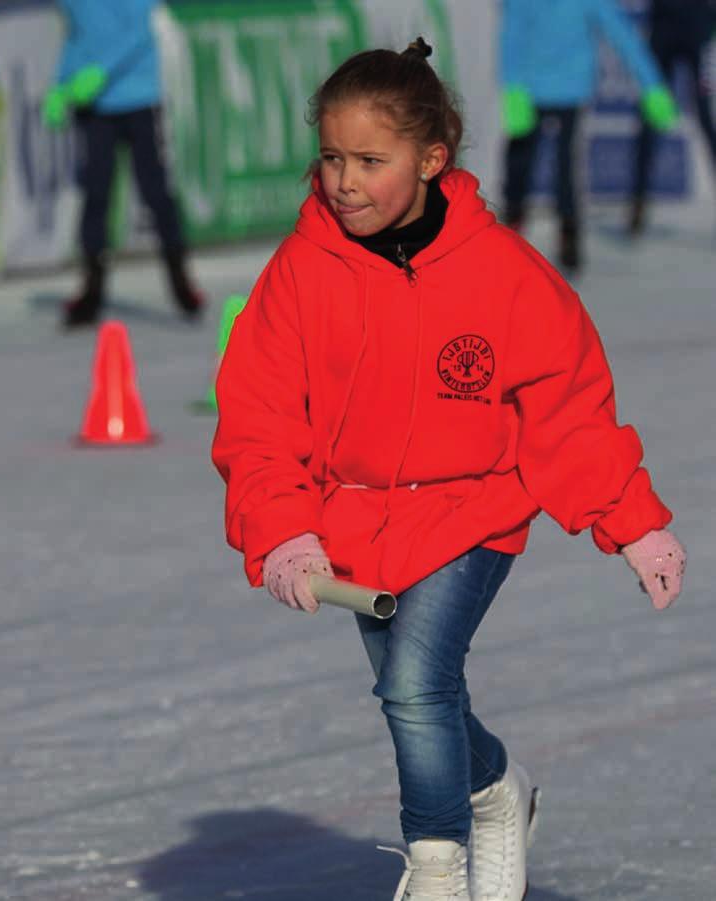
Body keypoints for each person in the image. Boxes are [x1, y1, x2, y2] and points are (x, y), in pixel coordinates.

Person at [211, 38, 686, 901]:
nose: (343, 180)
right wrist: (281, 530)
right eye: (330, 157)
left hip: (473, 510)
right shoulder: (299, 275)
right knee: (412, 690)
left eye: (368, 160)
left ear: (431, 159)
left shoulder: (503, 276)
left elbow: (567, 409)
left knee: (416, 683)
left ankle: (435, 866)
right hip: (353, 522)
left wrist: (632, 519)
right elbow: (260, 418)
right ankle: (496, 787)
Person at [42, 0, 204, 329]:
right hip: (95, 106)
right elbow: (76, 38)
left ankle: (180, 280)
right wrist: (60, 85)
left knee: (155, 191)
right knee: (95, 194)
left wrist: (100, 71)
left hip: (138, 98)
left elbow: (139, 34)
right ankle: (92, 289)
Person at [500, 0, 678, 271]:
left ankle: (566, 231)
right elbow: (512, 34)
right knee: (523, 160)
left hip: (564, 89)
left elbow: (622, 35)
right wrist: (512, 87)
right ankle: (516, 227)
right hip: (533, 88)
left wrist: (651, 85)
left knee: (561, 163)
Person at [628, 0, 716, 235]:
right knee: (652, 114)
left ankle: (638, 202)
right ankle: (638, 201)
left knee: (708, 117)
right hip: (665, 26)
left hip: (699, 27)